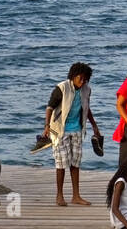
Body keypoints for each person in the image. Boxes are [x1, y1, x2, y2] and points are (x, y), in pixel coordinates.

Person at [43, 62, 102, 207]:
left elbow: (86, 108)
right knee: (61, 164)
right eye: (80, 78)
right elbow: (50, 107)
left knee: (75, 163)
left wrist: (94, 125)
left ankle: (76, 196)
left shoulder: (86, 90)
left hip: (77, 130)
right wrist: (47, 126)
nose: (82, 82)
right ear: (73, 76)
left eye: (85, 80)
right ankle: (59, 196)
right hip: (59, 130)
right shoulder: (62, 88)